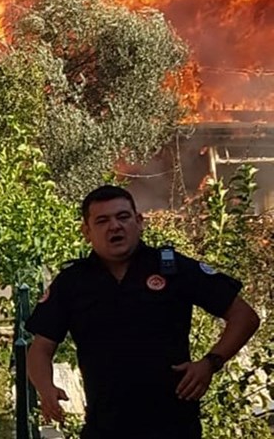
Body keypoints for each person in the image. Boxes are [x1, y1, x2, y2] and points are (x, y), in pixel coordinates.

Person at [25, 185, 261, 438]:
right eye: (102, 220)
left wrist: (210, 363)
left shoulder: (172, 268)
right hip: (105, 426)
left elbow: (244, 317)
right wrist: (45, 387)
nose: (115, 226)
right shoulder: (73, 282)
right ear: (87, 232)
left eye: (123, 217)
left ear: (139, 222)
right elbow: (40, 348)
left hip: (174, 426)